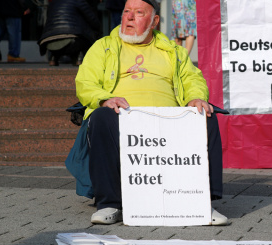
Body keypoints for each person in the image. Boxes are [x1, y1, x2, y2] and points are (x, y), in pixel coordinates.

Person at [72, 0, 227, 225]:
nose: (129, 17)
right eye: (126, 11)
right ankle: (109, 204)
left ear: (154, 21)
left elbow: (192, 78)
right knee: (100, 117)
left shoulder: (173, 50)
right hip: (121, 116)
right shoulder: (103, 46)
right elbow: (85, 82)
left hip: (168, 119)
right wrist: (104, 99)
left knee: (205, 115)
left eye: (138, 12)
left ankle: (202, 204)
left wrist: (196, 98)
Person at [38, 0, 101, 66]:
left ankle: (53, 58)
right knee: (86, 33)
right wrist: (98, 31)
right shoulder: (79, 1)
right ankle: (79, 56)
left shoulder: (53, 2)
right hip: (72, 41)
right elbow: (93, 20)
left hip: (49, 41)